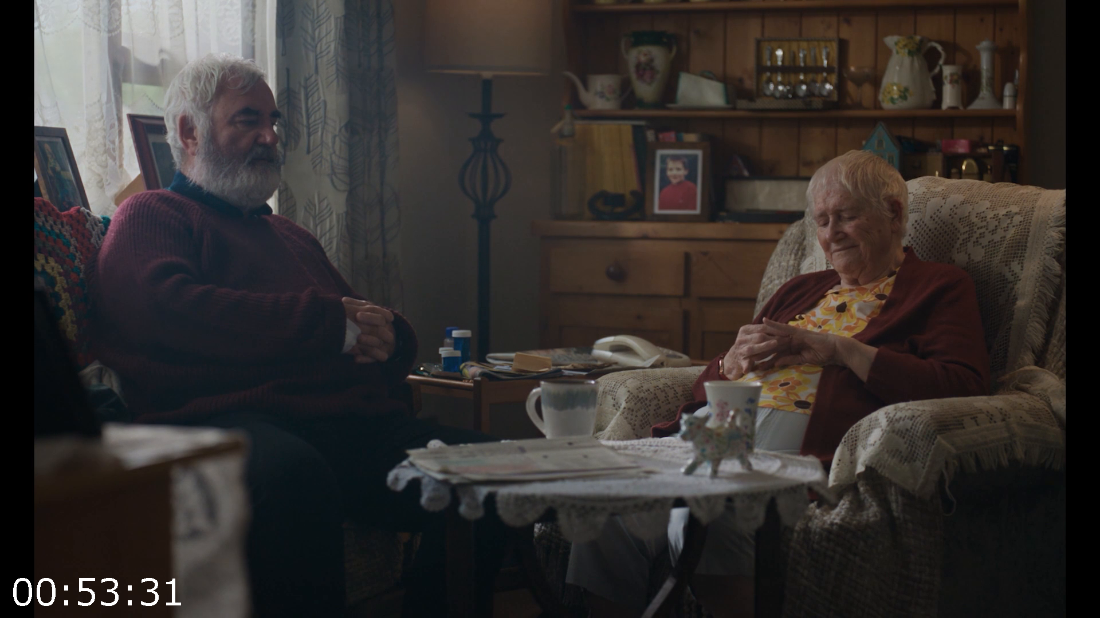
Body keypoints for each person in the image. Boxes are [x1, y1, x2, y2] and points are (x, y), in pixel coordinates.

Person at [91, 54, 506, 618]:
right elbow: (162, 310)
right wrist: (327, 325)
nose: (270, 136)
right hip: (223, 424)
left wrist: (392, 340)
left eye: (273, 120)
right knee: (292, 473)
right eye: (248, 120)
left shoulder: (287, 234)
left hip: (347, 431)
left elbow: (357, 317)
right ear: (189, 132)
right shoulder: (151, 214)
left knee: (497, 472)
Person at [566, 149, 991, 618]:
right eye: (822, 221)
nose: (830, 233)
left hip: (796, 455)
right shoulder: (799, 290)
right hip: (716, 436)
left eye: (846, 217)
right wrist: (730, 362)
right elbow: (704, 389)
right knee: (605, 506)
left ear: (893, 214)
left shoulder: (940, 287)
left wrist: (841, 350)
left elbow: (962, 384)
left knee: (717, 511)